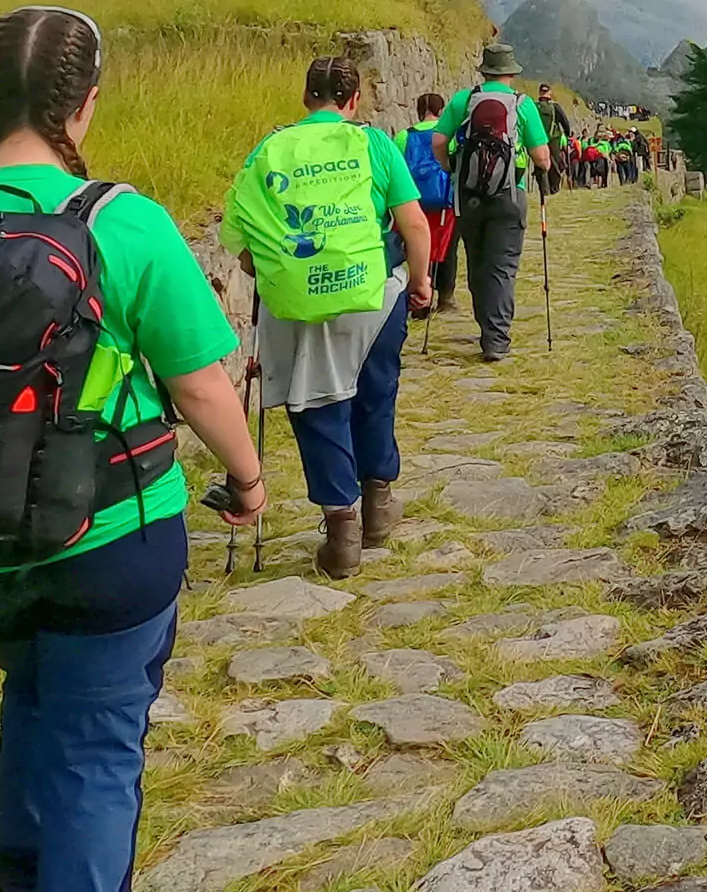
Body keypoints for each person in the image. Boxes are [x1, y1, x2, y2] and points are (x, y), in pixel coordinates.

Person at [0, 8, 264, 892]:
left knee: (38, 694)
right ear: (84, 108)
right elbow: (200, 388)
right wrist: (248, 478)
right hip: (109, 548)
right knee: (93, 750)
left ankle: (28, 884)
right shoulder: (124, 225)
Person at [221, 56, 435, 577]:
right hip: (375, 298)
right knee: (375, 393)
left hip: (296, 304)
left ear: (305, 98)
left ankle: (342, 534)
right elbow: (414, 225)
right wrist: (423, 281)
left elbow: (243, 247)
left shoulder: (269, 150)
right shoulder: (373, 144)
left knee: (316, 406)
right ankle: (379, 507)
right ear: (354, 100)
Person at [434, 44, 553, 362]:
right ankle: (495, 340)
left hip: (469, 196)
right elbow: (542, 157)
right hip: (509, 194)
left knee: (477, 263)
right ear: (512, 73)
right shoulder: (522, 104)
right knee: (502, 267)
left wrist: (451, 167)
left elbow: (438, 141)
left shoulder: (463, 99)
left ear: (484, 71)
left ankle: (486, 326)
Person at [402, 93, 458, 302]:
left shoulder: (404, 136)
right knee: (448, 247)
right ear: (441, 111)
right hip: (446, 201)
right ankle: (446, 296)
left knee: (418, 245)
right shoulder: (447, 137)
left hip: (415, 202)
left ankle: (421, 294)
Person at [536, 83, 574, 195]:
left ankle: (544, 190)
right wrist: (567, 134)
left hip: (539, 140)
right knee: (554, 163)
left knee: (540, 163)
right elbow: (565, 122)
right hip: (554, 138)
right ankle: (554, 189)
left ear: (539, 93)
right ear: (549, 93)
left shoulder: (534, 106)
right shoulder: (555, 107)